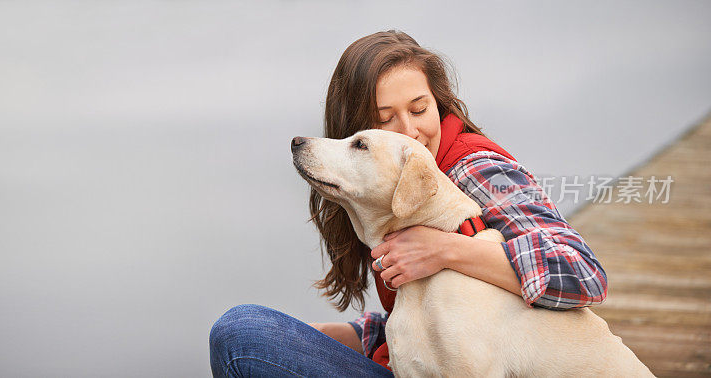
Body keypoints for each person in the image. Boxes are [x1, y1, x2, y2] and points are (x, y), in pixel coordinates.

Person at [209, 30, 607, 377]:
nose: (409, 132)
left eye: (420, 109)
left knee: (242, 334)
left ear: (439, 102)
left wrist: (447, 249)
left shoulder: (475, 170)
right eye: (385, 120)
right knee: (265, 334)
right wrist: (359, 335)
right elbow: (456, 316)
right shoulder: (378, 183)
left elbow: (584, 274)